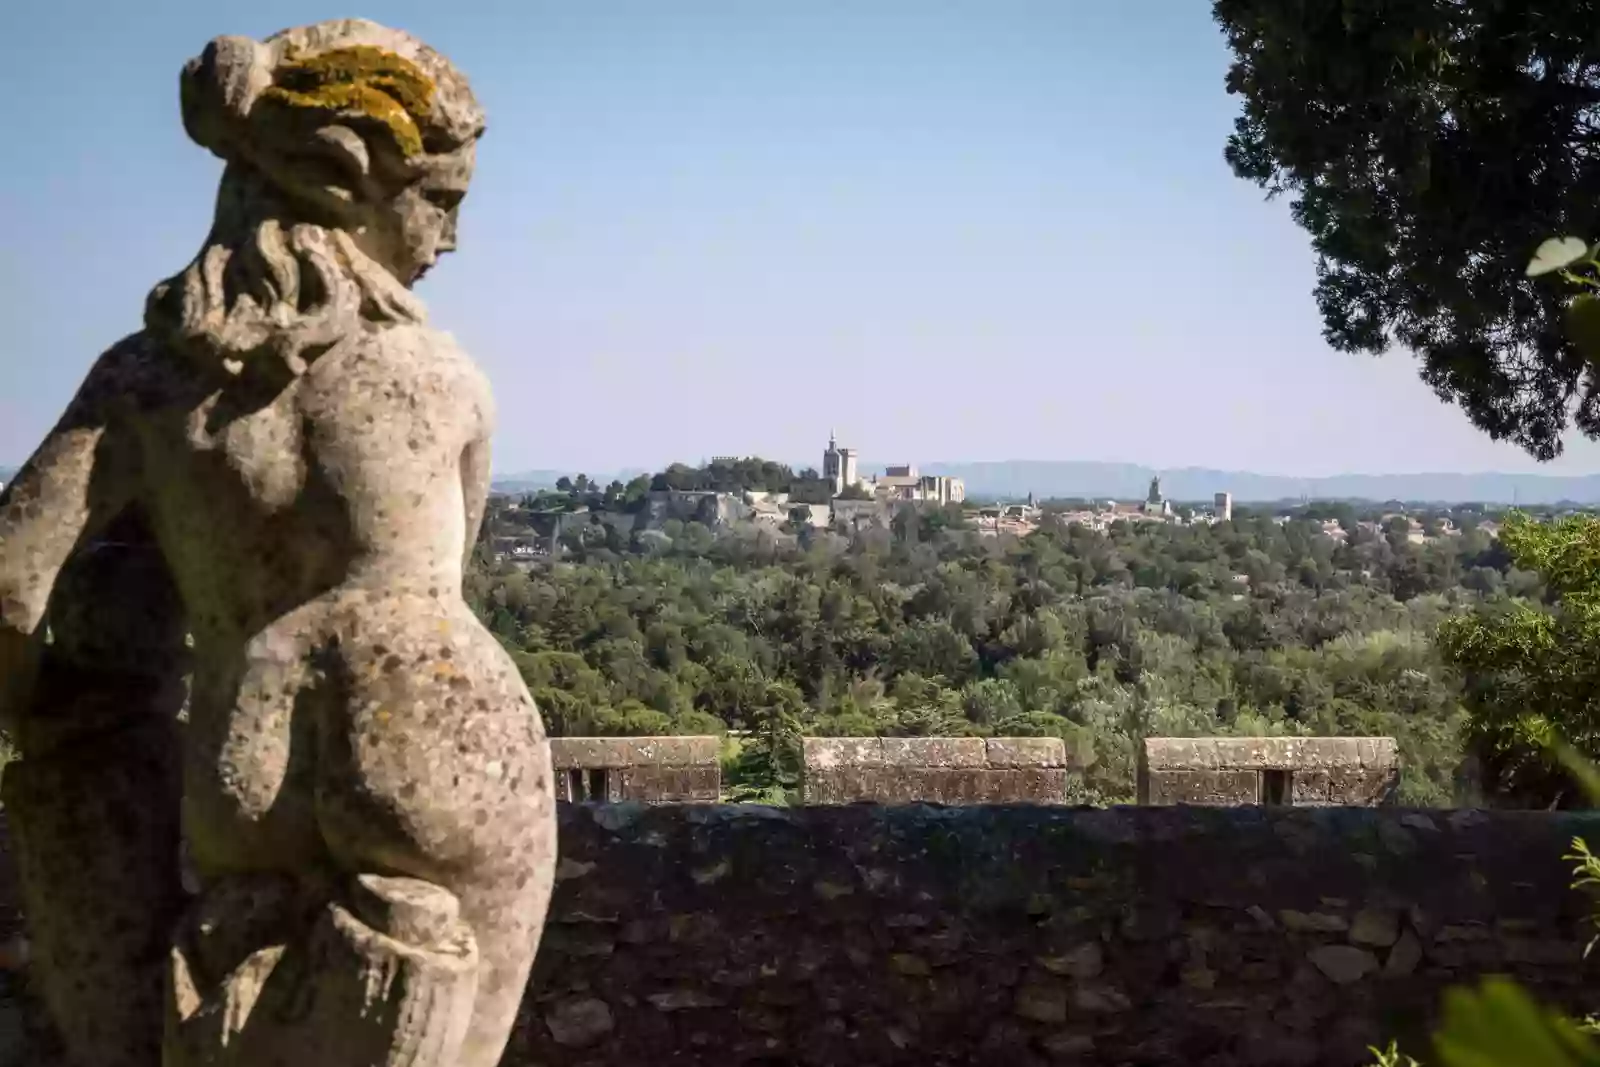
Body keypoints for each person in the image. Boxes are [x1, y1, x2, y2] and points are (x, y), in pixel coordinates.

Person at [0, 20, 555, 1067]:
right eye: (442, 200)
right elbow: (451, 575)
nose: (451, 239)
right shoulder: (438, 378)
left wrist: (70, 717)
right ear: (345, 175)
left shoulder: (148, 380)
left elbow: (11, 585)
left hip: (241, 743)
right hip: (432, 723)